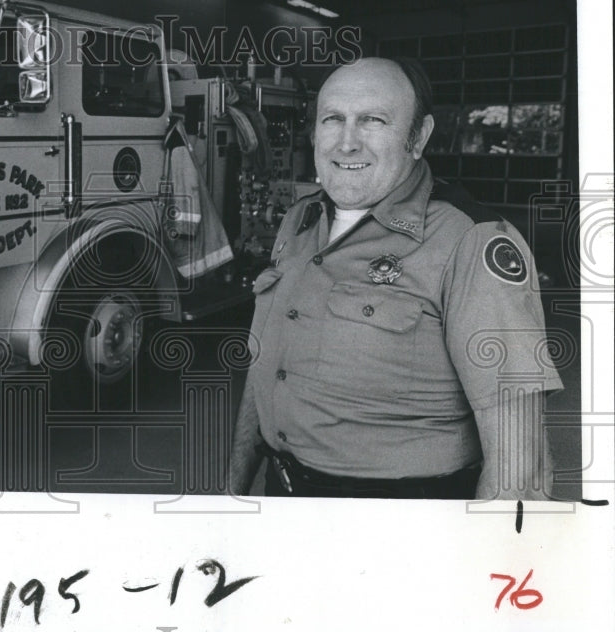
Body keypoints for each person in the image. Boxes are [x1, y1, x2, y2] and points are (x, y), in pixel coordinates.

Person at [228, 57, 561, 499]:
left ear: (418, 137)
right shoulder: (299, 221)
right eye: (333, 119)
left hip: (402, 518)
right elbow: (266, 372)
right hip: (284, 496)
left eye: (373, 120)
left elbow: (521, 465)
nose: (347, 143)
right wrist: (232, 497)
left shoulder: (470, 241)